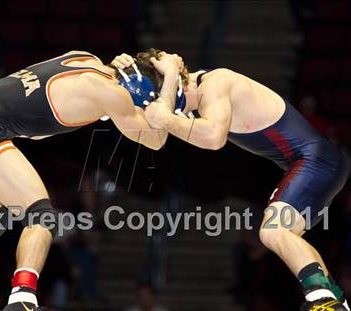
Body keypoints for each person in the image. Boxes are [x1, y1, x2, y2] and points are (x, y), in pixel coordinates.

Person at [0, 50, 183, 311]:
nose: (143, 111)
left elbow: (33, 112)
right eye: (145, 105)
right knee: (41, 216)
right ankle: (22, 300)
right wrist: (172, 76)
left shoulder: (83, 59)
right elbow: (156, 139)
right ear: (138, 89)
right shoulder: (111, 94)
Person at [112, 50, 350, 311]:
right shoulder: (190, 100)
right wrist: (117, 69)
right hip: (308, 163)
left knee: (274, 231)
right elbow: (156, 133)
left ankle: (326, 303)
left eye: (157, 101)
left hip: (315, 160)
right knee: (283, 233)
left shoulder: (217, 83)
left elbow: (214, 138)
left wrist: (167, 111)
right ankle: (332, 299)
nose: (158, 109)